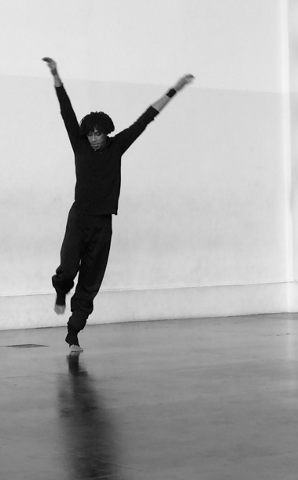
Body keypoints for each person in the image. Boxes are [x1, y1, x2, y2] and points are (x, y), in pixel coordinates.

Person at [42, 57, 194, 353]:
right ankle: (61, 291)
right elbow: (66, 111)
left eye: (99, 134)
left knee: (91, 279)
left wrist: (175, 89)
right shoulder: (80, 146)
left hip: (103, 223)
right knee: (68, 266)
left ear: (106, 132)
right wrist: (56, 75)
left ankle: (73, 333)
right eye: (90, 134)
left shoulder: (117, 146)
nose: (95, 139)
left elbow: (145, 119)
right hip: (79, 218)